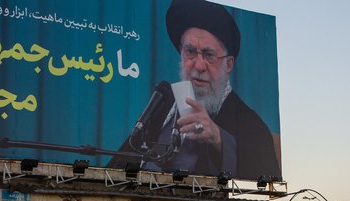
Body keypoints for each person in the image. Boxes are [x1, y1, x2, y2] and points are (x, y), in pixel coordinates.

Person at [111, 0, 280, 182]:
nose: (199, 66)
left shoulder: (252, 126)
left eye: (209, 55)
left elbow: (261, 187)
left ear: (228, 64)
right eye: (190, 52)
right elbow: (115, 168)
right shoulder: (163, 105)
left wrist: (219, 139)